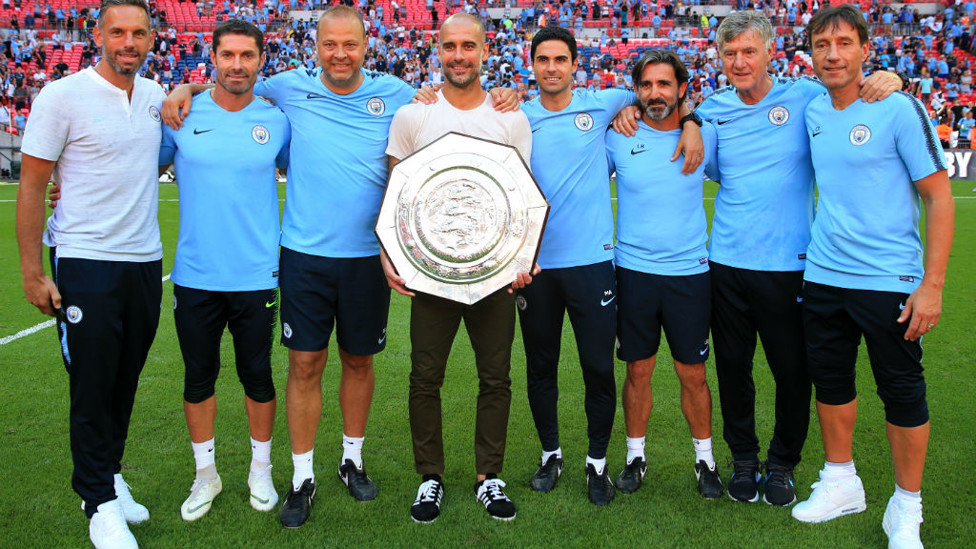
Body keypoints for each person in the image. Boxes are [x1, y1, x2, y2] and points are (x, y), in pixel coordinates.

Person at [161, 8, 516, 528]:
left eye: (350, 45)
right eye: (330, 44)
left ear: (366, 46)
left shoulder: (398, 93)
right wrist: (185, 88)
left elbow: (461, 102)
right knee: (305, 364)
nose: (340, 54)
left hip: (367, 257)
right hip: (304, 256)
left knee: (358, 362)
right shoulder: (290, 88)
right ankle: (302, 474)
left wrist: (509, 95)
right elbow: (234, 78)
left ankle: (352, 459)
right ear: (316, 46)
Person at [689, 10, 901, 506]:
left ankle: (782, 464)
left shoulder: (806, 96)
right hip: (727, 263)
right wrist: (691, 118)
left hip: (790, 265)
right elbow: (709, 161)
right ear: (719, 58)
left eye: (748, 52)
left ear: (769, 53)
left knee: (792, 371)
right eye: (729, 54)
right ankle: (744, 459)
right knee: (733, 369)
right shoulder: (711, 107)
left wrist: (893, 77)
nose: (739, 63)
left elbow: (853, 88)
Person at [519, 26, 703, 506]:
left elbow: (666, 98)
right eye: (543, 59)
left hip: (595, 263)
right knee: (540, 367)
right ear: (532, 64)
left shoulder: (604, 104)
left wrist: (692, 121)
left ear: (576, 64)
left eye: (561, 59)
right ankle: (550, 454)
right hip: (535, 267)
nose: (552, 67)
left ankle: (596, 464)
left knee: (598, 367)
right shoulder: (516, 115)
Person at [791, 7, 954, 549]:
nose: (832, 54)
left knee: (902, 392)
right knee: (832, 384)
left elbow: (938, 196)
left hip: (889, 280)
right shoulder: (812, 108)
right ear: (810, 53)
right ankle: (842, 482)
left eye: (843, 43)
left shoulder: (898, 107)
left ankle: (906, 510)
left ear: (865, 48)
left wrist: (931, 285)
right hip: (823, 275)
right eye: (821, 45)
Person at [16, 0, 163, 547]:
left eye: (139, 33)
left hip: (145, 261)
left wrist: (185, 91)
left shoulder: (154, 97)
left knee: (125, 378)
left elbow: (203, 96)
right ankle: (96, 500)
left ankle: (112, 474)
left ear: (153, 38)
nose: (128, 42)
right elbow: (32, 186)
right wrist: (33, 272)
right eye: (118, 32)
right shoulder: (62, 96)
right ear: (97, 34)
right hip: (84, 260)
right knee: (93, 382)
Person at [382, 12, 533, 524]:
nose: (459, 55)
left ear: (486, 50)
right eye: (450, 46)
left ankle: (490, 476)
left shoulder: (510, 117)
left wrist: (521, 262)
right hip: (432, 273)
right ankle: (431, 477)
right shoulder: (412, 116)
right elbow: (394, 195)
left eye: (469, 46)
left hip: (493, 274)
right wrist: (389, 254)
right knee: (425, 377)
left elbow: (520, 198)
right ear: (437, 50)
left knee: (496, 377)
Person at [158, 19, 290, 522]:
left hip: (258, 275)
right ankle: (205, 475)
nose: (238, 65)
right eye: (228, 55)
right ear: (212, 57)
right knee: (199, 378)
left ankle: (260, 469)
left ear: (261, 59)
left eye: (247, 56)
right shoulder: (181, 113)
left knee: (257, 376)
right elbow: (136, 167)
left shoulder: (277, 120)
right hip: (195, 275)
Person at [605, 49, 724, 501]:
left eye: (665, 84)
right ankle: (635, 456)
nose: (656, 93)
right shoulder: (618, 135)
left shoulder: (705, 135)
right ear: (636, 91)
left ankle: (705, 459)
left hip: (689, 273)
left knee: (692, 372)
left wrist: (692, 123)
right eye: (647, 85)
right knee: (638, 369)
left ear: (681, 89)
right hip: (632, 272)